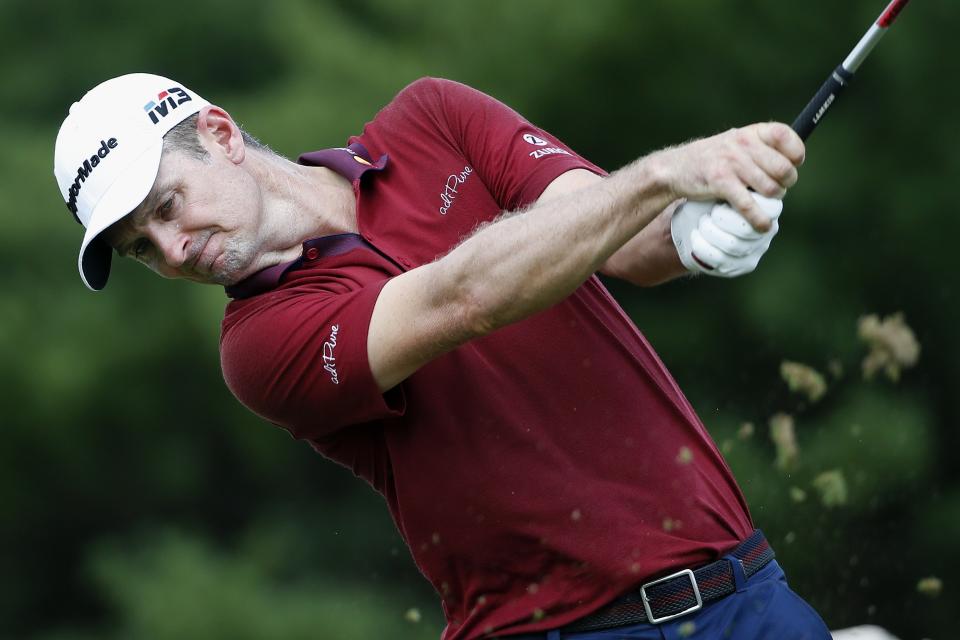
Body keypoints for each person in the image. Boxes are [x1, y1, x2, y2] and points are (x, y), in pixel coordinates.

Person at [54, 73, 828, 639]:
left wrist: (694, 234)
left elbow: (614, 234)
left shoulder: (432, 118)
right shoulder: (258, 345)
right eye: (141, 249)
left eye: (165, 208)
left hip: (747, 591)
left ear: (221, 136)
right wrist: (665, 175)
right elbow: (464, 298)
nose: (171, 248)